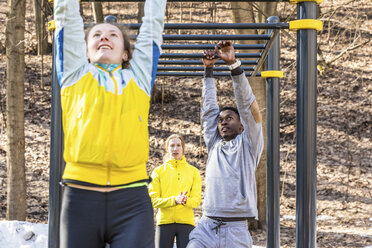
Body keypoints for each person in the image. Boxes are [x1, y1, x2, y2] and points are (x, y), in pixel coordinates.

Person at [53, 0, 167, 246]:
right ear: (85, 51)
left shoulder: (139, 78)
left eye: (113, 35)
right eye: (96, 35)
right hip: (81, 199)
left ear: (125, 53)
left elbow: (153, 25)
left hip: (132, 201)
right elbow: (67, 16)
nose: (104, 38)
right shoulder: (74, 75)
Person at [187, 41, 264, 248]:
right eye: (221, 120)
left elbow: (247, 107)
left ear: (241, 126)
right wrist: (208, 70)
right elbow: (209, 110)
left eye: (229, 117)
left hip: (236, 230)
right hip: (207, 225)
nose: (223, 121)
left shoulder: (249, 144)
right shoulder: (214, 144)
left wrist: (234, 66)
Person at [149, 134, 202, 248]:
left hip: (186, 222)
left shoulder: (193, 172)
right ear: (167, 148)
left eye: (178, 145)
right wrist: (174, 200)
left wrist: (185, 200)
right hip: (164, 222)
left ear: (183, 148)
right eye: (172, 145)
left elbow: (196, 200)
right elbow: (153, 200)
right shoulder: (158, 172)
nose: (175, 149)